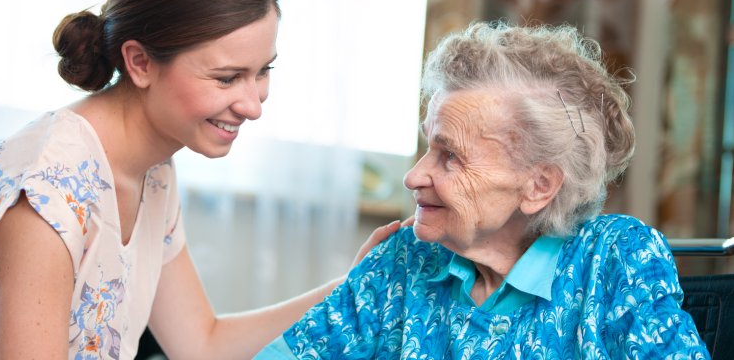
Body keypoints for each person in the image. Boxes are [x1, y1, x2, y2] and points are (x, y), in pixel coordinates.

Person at [0, 0, 400, 358]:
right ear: (139, 62)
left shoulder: (152, 166)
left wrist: (353, 289)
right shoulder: (49, 189)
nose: (252, 104)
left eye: (262, 71)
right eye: (226, 78)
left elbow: (202, 344)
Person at [256, 21, 711, 359]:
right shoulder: (405, 257)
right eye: (427, 148)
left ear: (539, 186)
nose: (413, 177)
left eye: (450, 155)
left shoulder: (615, 260)